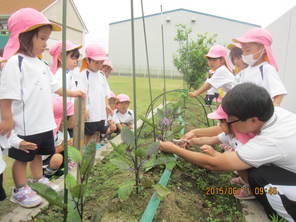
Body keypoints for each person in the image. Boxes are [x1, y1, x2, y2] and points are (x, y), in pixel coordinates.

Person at [160, 83, 296, 221]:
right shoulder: (272, 113)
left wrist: (174, 149)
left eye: (231, 120)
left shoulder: (270, 141)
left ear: (253, 120)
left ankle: (285, 216)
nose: (227, 124)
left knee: (258, 177)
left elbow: (214, 164)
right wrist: (194, 137)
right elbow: (219, 134)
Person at [0, 8, 85, 208]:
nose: (46, 44)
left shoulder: (41, 64)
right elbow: (6, 95)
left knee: (38, 154)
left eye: (47, 39)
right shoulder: (15, 63)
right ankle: (19, 189)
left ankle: (38, 180)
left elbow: (55, 88)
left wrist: (75, 94)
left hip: (43, 122)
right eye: (42, 39)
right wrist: (7, 118)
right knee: (22, 159)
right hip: (24, 125)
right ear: (24, 37)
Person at [186, 105, 256, 199]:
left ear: (232, 123)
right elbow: (210, 139)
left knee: (238, 164)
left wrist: (214, 153)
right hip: (249, 165)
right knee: (238, 163)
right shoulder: (230, 135)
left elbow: (225, 163)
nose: (219, 125)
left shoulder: (243, 142)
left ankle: (251, 188)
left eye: (221, 122)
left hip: (256, 169)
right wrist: (191, 141)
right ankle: (245, 179)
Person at [233, 28, 287, 106]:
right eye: (243, 51)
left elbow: (279, 95)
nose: (245, 54)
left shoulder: (266, 69)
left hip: (260, 115)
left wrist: (272, 112)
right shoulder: (245, 71)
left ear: (263, 50)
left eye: (248, 50)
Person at [79, 44, 112, 145]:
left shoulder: (101, 75)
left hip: (101, 112)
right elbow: (82, 93)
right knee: (88, 135)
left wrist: (107, 105)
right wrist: (85, 109)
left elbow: (105, 93)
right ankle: (85, 155)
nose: (99, 65)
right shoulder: (84, 74)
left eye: (101, 62)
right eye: (96, 62)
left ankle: (94, 154)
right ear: (88, 60)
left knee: (98, 133)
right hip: (91, 113)